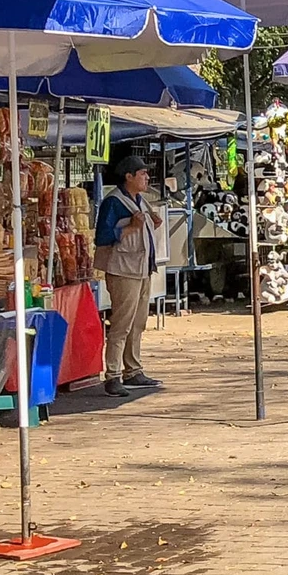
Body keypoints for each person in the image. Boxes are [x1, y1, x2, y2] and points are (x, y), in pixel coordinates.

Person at [95, 154, 163, 395]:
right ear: (129, 177)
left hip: (142, 268)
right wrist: (132, 227)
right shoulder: (113, 202)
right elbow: (103, 237)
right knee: (121, 324)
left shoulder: (140, 200)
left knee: (138, 322)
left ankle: (133, 370)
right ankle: (113, 375)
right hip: (124, 269)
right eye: (142, 173)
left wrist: (151, 223)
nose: (147, 177)